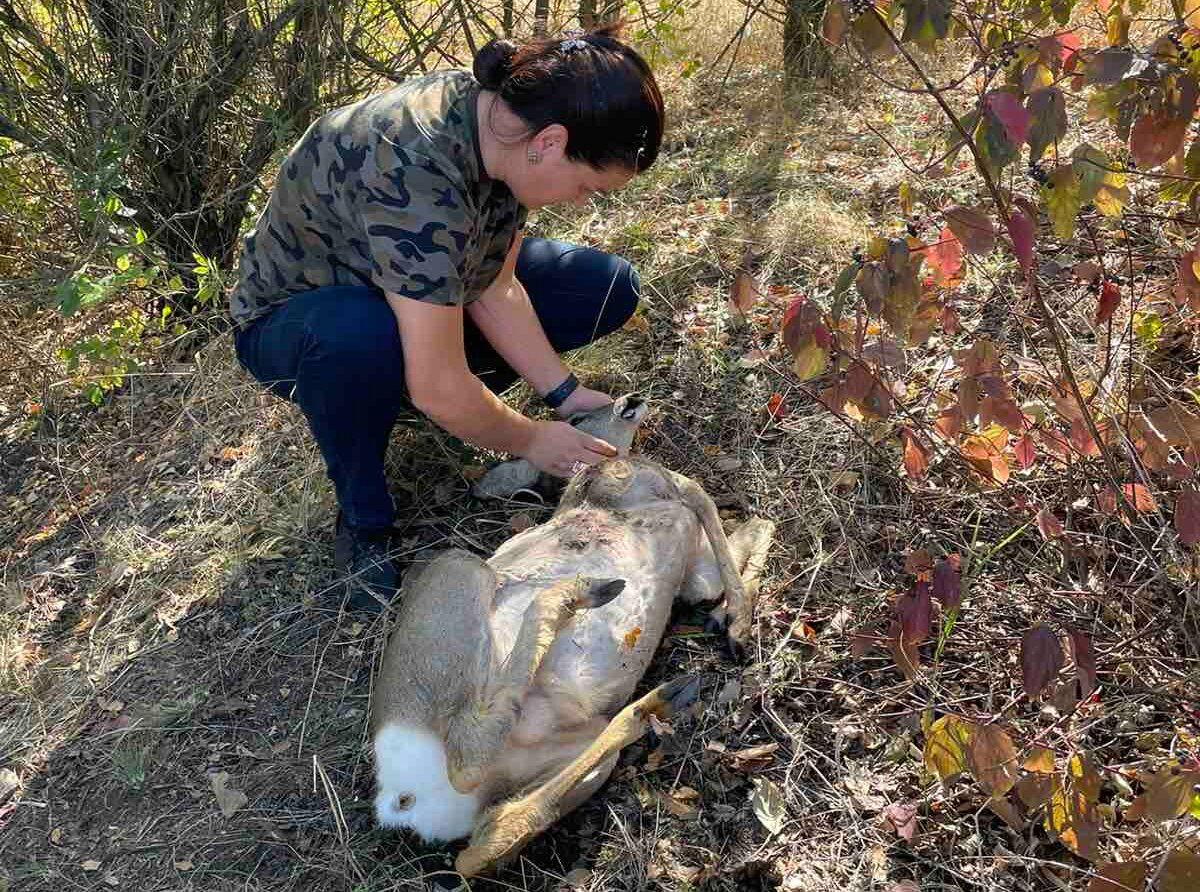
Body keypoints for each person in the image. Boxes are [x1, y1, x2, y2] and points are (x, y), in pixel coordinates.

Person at [228, 25, 664, 611]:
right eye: (587, 185)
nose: (582, 201)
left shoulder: (506, 125)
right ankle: (364, 521)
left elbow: (495, 285)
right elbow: (436, 384)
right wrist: (528, 438)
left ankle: (441, 397)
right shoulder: (413, 166)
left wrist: (563, 393)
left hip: (405, 301)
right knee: (360, 338)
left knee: (599, 285)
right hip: (298, 324)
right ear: (551, 143)